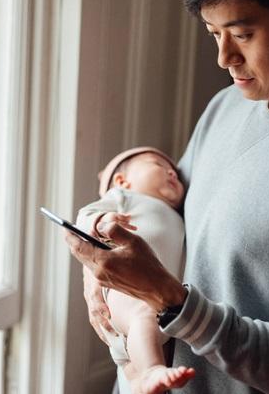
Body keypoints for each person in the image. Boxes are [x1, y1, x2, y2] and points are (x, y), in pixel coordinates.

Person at [65, 0, 269, 393]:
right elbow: (170, 216)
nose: (224, 57)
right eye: (214, 33)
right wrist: (99, 267)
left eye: (242, 34)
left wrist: (172, 301)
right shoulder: (227, 105)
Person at [76, 147, 194, 393]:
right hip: (126, 289)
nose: (172, 172)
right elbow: (84, 216)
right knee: (143, 317)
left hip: (159, 303)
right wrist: (101, 222)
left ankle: (140, 380)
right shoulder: (123, 198)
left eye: (173, 170)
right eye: (157, 165)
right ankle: (150, 370)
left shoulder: (176, 214)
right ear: (122, 181)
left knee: (136, 352)